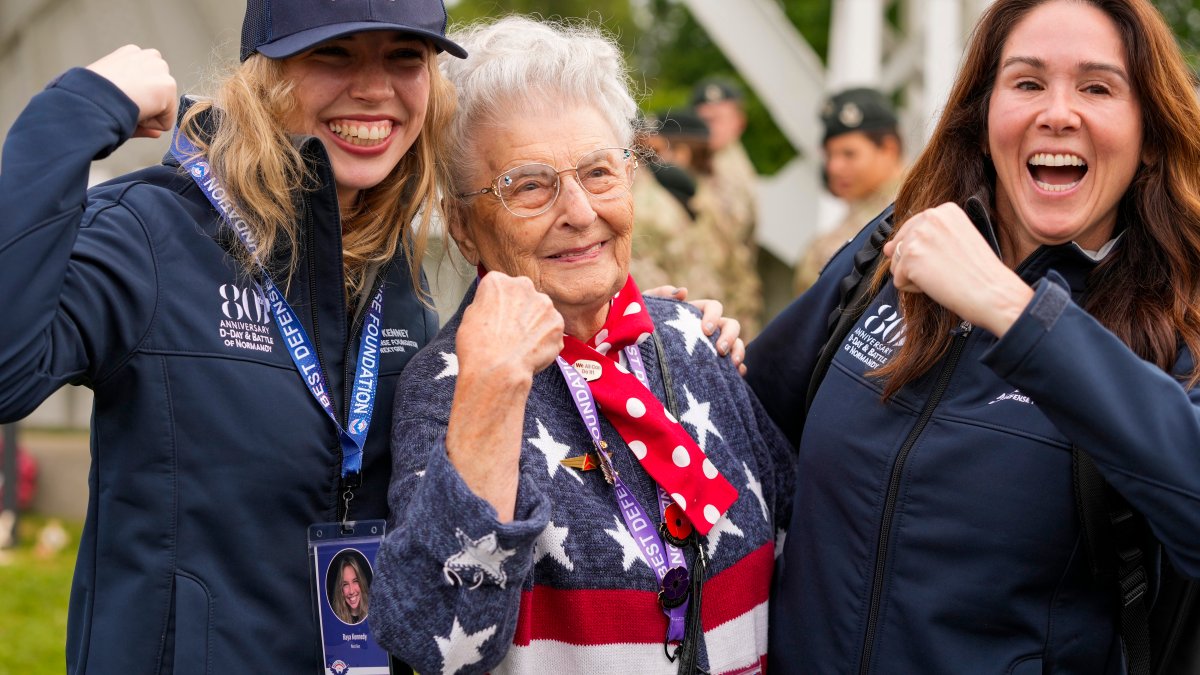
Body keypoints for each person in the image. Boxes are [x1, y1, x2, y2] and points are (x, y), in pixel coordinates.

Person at [0, 0, 466, 671]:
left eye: (405, 56)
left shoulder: (399, 278)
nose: (373, 88)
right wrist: (72, 113)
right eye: (333, 52)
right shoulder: (150, 235)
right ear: (263, 73)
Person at [747, 0, 1200, 672]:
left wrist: (1013, 311)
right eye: (1026, 82)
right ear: (983, 113)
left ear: (1150, 132)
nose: (1057, 112)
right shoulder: (890, 251)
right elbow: (749, 423)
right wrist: (684, 348)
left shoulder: (1177, 323)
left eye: (1097, 87)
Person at [370, 16, 793, 674]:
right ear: (463, 227)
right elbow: (436, 638)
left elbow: (810, 553)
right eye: (529, 184)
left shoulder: (691, 340)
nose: (579, 211)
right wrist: (494, 392)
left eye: (598, 171)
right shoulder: (453, 383)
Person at [792, 87, 906, 294]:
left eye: (849, 154)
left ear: (888, 149)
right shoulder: (868, 207)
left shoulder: (908, 209)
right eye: (829, 155)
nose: (833, 167)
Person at [691, 77, 763, 337]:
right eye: (703, 119)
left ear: (738, 122)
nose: (709, 127)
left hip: (730, 299)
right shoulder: (699, 165)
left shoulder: (732, 171)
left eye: (717, 119)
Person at [330, 551, 372, 625]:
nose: (351, 591)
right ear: (340, 589)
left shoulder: (374, 615)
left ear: (362, 582)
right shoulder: (334, 621)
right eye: (345, 584)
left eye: (355, 581)